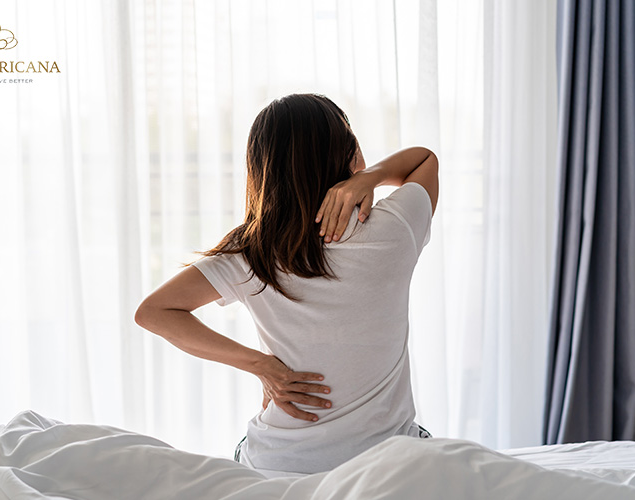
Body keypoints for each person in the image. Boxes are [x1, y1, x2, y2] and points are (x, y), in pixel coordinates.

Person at [134, 93, 439, 476]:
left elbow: (153, 312)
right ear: (351, 156)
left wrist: (262, 366)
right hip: (386, 464)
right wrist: (368, 178)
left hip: (279, 463)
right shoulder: (397, 227)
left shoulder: (251, 252)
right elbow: (425, 158)